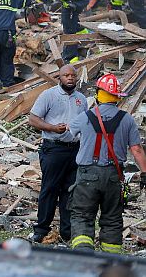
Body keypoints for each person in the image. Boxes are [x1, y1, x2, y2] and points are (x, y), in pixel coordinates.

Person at [68, 73, 146, 253]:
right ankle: (111, 261)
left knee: (82, 216)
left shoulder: (85, 116)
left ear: (98, 94)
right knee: (112, 218)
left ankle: (83, 255)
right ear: (117, 96)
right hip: (113, 176)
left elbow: (69, 133)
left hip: (87, 175)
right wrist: (144, 173)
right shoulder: (126, 119)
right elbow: (137, 150)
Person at [27, 65, 87, 243]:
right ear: (59, 77)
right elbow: (33, 119)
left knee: (70, 191)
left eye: (72, 75)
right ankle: (41, 229)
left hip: (74, 149)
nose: (70, 78)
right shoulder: (49, 95)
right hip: (54, 148)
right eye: (65, 75)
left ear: (76, 78)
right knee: (50, 189)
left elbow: (85, 123)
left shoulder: (81, 99)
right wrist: (52, 128)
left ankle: (67, 232)